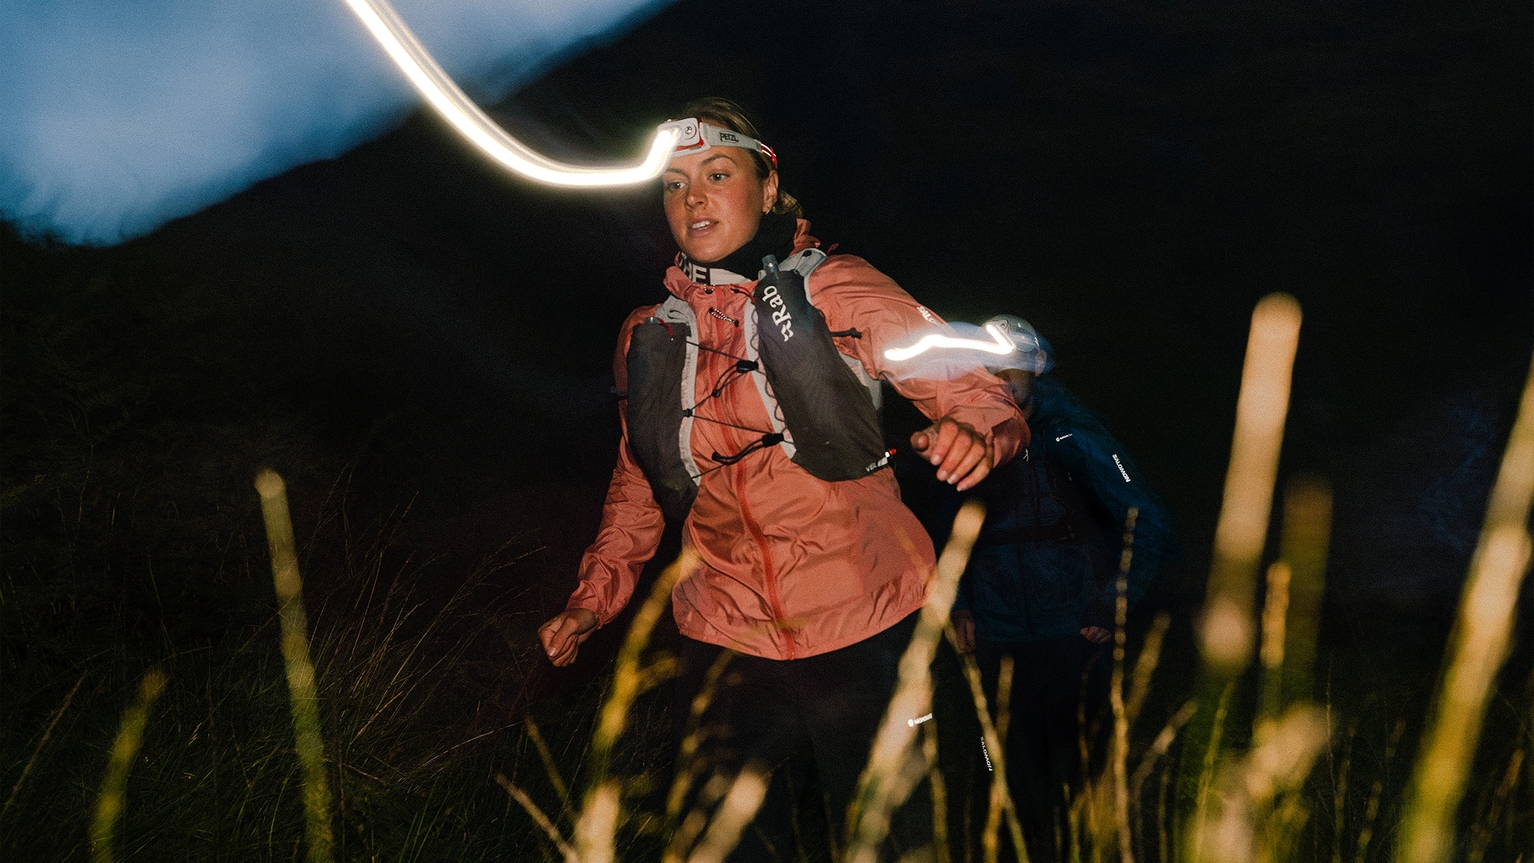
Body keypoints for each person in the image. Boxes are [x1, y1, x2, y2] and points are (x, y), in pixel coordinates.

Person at [536, 99, 1027, 860]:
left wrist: (975, 432)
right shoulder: (648, 334)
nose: (693, 198)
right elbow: (637, 481)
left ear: (768, 189)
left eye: (717, 174)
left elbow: (976, 390)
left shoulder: (838, 289)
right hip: (724, 642)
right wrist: (591, 600)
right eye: (673, 184)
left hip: (870, 627)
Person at [941, 315, 1172, 863]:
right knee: (1000, 768)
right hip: (998, 639)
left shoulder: (1075, 438)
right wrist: (960, 606)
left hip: (1075, 635)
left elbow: (1148, 520)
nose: (1000, 384)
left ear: (1037, 370)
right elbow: (939, 533)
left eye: (1011, 372)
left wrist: (1113, 602)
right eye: (987, 372)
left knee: (1085, 770)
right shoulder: (962, 440)